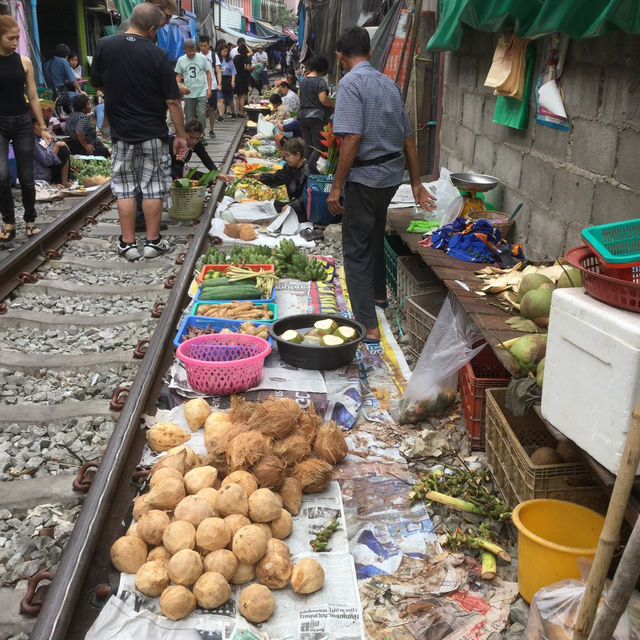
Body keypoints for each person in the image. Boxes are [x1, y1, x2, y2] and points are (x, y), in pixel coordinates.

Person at [327, 27, 436, 343]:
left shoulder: (350, 84)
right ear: (370, 52)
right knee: (372, 234)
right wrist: (415, 182)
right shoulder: (389, 84)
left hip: (367, 179)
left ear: (340, 56)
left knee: (356, 248)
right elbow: (408, 138)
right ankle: (377, 296)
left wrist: (336, 186)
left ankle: (367, 326)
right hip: (390, 178)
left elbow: (352, 138)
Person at [91, 3, 188, 260]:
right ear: (152, 28)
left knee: (124, 188)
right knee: (153, 188)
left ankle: (127, 244)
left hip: (121, 133)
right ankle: (153, 243)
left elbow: (99, 84)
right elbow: (173, 101)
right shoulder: (158, 55)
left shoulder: (104, 45)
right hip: (153, 133)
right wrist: (180, 135)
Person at [0, 15, 52, 241]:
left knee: (27, 176)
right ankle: (8, 221)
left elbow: (32, 95)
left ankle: (30, 220)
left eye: (18, 38)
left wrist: (42, 126)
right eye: (10, 38)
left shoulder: (24, 62)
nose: (15, 42)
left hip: (22, 122)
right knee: (1, 176)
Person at [254, 138, 309, 223]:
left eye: (288, 155)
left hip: (303, 209)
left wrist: (291, 206)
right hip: (293, 204)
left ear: (297, 155)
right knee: (273, 205)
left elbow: (306, 197)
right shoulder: (289, 167)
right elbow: (277, 178)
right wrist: (260, 177)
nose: (285, 159)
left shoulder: (307, 171)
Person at [298, 54, 334, 172]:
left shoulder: (303, 80)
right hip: (316, 118)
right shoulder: (320, 81)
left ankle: (305, 171)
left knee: (308, 146)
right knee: (318, 146)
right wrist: (334, 105)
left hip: (302, 116)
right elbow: (323, 99)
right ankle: (310, 167)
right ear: (322, 68)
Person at [175, 38, 211, 133]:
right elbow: (178, 76)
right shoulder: (181, 60)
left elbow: (208, 73)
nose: (192, 53)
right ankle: (191, 134)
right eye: (190, 51)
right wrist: (179, 87)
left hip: (201, 91)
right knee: (190, 116)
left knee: (202, 113)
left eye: (194, 50)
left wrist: (209, 89)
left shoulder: (201, 58)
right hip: (189, 93)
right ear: (185, 50)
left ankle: (201, 133)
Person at [45, 43, 86, 112]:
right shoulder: (63, 61)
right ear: (66, 55)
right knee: (82, 97)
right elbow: (72, 79)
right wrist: (80, 91)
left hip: (48, 93)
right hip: (60, 93)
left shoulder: (47, 63)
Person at [32, 119, 71, 188]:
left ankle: (64, 181)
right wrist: (56, 146)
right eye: (38, 125)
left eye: (42, 126)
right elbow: (47, 161)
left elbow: (49, 151)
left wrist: (56, 145)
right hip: (38, 175)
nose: (40, 128)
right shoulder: (32, 140)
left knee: (63, 150)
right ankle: (52, 184)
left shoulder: (41, 138)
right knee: (60, 148)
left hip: (47, 169)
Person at [198, 35, 221, 139]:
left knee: (212, 109)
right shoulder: (197, 56)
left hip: (212, 86)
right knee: (200, 111)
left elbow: (218, 70)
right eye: (201, 45)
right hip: (200, 87)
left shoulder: (213, 56)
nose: (203, 48)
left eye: (205, 45)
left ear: (209, 44)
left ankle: (211, 129)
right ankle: (201, 131)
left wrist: (219, 83)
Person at [217, 44, 236, 120]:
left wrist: (233, 81)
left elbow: (233, 72)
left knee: (230, 100)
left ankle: (233, 112)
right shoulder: (217, 60)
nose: (225, 53)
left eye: (226, 51)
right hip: (220, 79)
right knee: (220, 99)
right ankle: (220, 115)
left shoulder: (230, 60)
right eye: (223, 51)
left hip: (228, 80)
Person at [233, 44, 252, 118]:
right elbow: (248, 68)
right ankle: (242, 112)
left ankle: (238, 111)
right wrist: (246, 45)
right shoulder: (245, 57)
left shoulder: (235, 58)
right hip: (243, 78)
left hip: (236, 77)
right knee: (243, 95)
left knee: (238, 96)